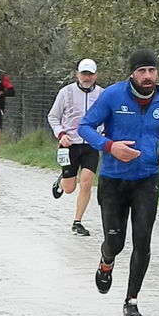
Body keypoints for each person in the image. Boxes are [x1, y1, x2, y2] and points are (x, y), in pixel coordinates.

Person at [78, 49, 159, 316]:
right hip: (114, 180)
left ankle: (132, 301)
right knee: (115, 242)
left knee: (142, 241)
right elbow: (85, 126)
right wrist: (110, 146)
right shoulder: (112, 95)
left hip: (146, 179)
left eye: (152, 71)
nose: (148, 76)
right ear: (132, 73)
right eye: (142, 71)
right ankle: (106, 262)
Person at [47, 58, 104, 236]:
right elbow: (53, 116)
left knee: (86, 182)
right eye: (84, 74)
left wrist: (102, 133)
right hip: (69, 144)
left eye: (90, 74)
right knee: (70, 188)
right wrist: (61, 134)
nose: (87, 77)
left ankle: (77, 222)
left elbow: (107, 117)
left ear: (96, 75)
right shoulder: (66, 92)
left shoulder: (103, 94)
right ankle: (61, 181)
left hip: (91, 144)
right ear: (77, 74)